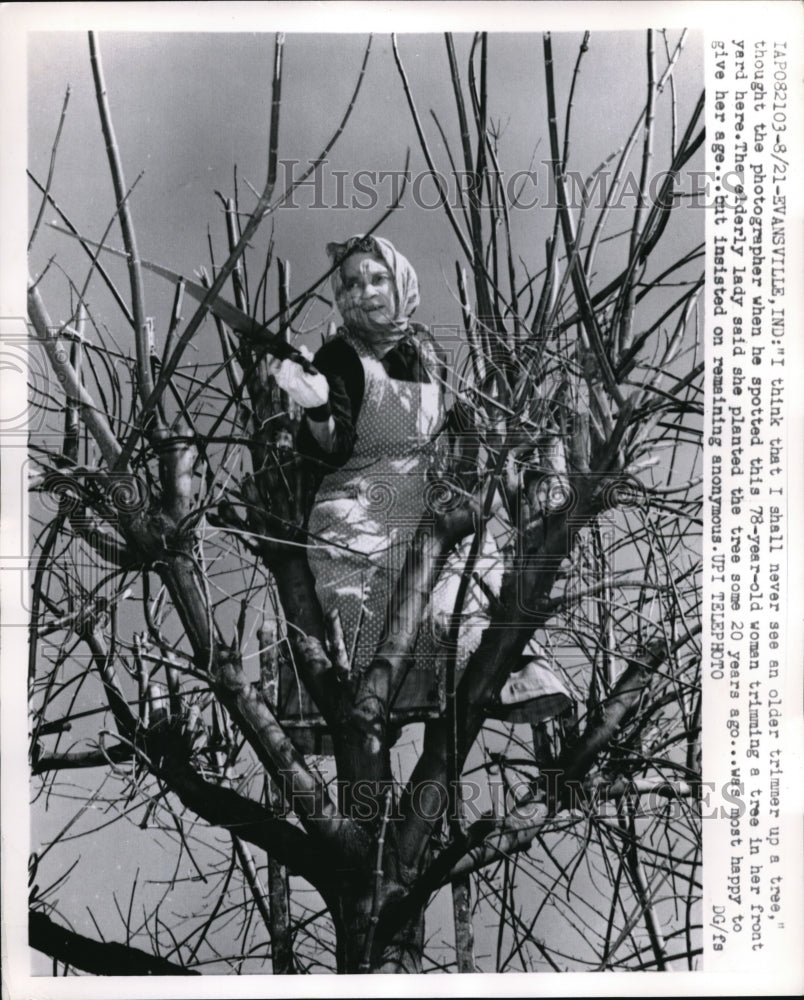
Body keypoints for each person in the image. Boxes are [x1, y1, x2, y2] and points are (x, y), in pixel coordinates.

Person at [268, 234, 572, 724]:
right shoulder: (338, 356)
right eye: (352, 282)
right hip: (357, 493)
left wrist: (495, 431)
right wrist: (317, 403)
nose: (365, 290)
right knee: (358, 583)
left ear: (400, 281)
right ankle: (358, 692)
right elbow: (334, 443)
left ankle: (496, 669)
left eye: (377, 277)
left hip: (426, 490)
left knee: (470, 568)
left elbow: (449, 426)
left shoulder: (428, 352)